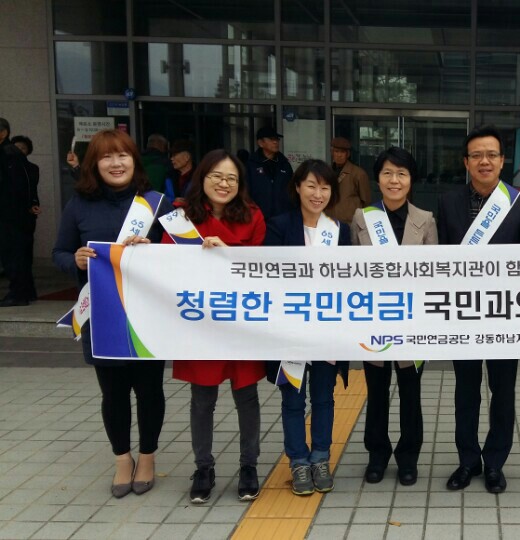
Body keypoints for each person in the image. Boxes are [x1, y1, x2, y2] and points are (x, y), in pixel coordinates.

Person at [52, 129, 172, 498]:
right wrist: (74, 260)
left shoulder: (156, 204)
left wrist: (154, 249)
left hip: (147, 317)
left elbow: (185, 253)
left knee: (150, 390)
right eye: (106, 156)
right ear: (94, 164)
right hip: (102, 316)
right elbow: (59, 252)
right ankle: (123, 459)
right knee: (113, 393)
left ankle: (147, 457)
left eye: (123, 155)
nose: (116, 163)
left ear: (135, 161)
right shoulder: (79, 204)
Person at [162, 149, 266, 505]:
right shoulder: (180, 219)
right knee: (202, 398)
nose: (224, 184)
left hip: (241, 322)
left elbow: (262, 267)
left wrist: (228, 252)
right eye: (216, 176)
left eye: (231, 178)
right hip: (200, 323)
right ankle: (203, 467)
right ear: (201, 178)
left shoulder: (253, 215)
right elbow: (163, 266)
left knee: (247, 397)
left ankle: (249, 465)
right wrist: (137, 252)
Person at [438, 125, 520, 494]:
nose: (484, 161)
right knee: (465, 391)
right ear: (466, 162)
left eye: (491, 154)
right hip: (462, 313)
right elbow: (439, 260)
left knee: (502, 391)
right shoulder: (448, 202)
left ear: (502, 160)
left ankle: (495, 462)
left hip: (503, 314)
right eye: (477, 155)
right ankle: (468, 461)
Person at [351, 147, 437, 487]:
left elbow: (433, 274)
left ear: (411, 179)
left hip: (413, 323)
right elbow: (352, 271)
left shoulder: (426, 219)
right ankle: (377, 454)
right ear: (378, 178)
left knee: (410, 393)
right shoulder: (362, 218)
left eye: (401, 173)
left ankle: (408, 457)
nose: (394, 180)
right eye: (387, 173)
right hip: (374, 321)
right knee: (376, 392)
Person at [264, 159, 350, 496]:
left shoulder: (340, 231)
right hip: (291, 330)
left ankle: (320, 458)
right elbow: (266, 273)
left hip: (328, 331)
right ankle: (298, 462)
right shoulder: (278, 226)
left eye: (325, 187)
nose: (318, 193)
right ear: (298, 187)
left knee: (324, 398)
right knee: (293, 400)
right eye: (311, 185)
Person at [0, 120, 39, 307]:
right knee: (18, 254)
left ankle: (18, 294)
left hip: (10, 214)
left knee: (12, 254)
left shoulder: (7, 154)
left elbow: (16, 186)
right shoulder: (12, 153)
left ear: (3, 133)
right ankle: (27, 291)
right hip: (15, 213)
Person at [9, 134, 41, 302]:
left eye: (23, 148)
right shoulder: (6, 166)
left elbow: (32, 191)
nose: (19, 151)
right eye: (16, 148)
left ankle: (26, 291)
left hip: (25, 216)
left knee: (24, 254)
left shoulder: (32, 168)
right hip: (10, 216)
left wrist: (34, 204)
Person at [246, 126, 294, 220]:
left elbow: (292, 190)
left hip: (282, 217)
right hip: (257, 218)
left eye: (277, 139)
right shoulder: (251, 165)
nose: (275, 142)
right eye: (271, 139)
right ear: (260, 143)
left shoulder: (284, 164)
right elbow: (246, 192)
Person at [326, 136, 371, 224]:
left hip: (350, 222)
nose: (339, 155)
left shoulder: (358, 173)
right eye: (336, 151)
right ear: (332, 153)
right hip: (329, 221)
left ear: (348, 154)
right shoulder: (327, 172)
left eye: (342, 152)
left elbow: (366, 201)